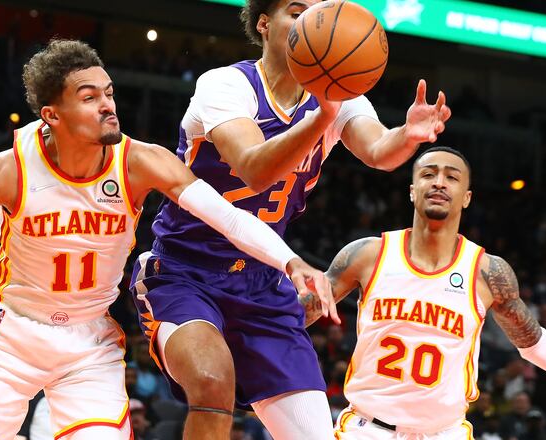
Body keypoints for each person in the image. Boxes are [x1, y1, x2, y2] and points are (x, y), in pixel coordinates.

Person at [0, 39, 333, 440]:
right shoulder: (6, 170)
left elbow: (229, 218)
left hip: (89, 341)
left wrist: (292, 263)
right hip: (11, 334)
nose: (108, 106)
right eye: (89, 97)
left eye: (109, 92)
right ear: (51, 115)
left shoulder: (142, 162)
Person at [130, 1, 451, 438]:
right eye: (297, 10)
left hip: (263, 283)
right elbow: (253, 169)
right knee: (212, 381)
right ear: (264, 24)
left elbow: (379, 152)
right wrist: (322, 119)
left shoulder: (341, 99)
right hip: (186, 271)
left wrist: (407, 135)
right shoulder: (226, 85)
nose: (310, 21)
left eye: (319, 10)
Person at [307, 147, 546, 438]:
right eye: (428, 174)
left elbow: (534, 343)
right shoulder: (368, 255)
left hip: (444, 432)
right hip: (368, 428)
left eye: (452, 177)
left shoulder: (487, 272)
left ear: (467, 197)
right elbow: (295, 316)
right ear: (411, 190)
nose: (439, 182)